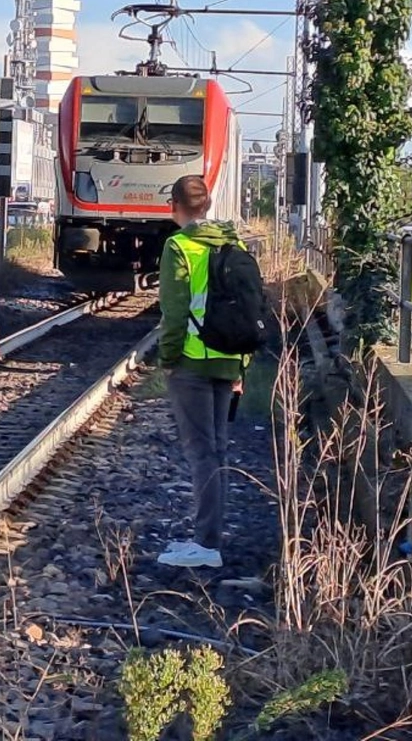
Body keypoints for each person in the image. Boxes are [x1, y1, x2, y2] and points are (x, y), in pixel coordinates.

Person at [156, 174, 247, 570]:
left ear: (174, 206)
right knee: (219, 450)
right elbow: (249, 308)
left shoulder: (179, 246)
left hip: (192, 363)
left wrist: (168, 359)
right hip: (228, 360)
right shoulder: (235, 243)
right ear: (207, 206)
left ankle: (206, 543)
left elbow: (174, 314)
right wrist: (241, 363)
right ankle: (211, 537)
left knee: (201, 453)